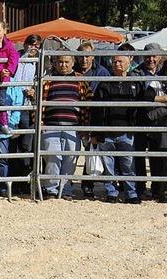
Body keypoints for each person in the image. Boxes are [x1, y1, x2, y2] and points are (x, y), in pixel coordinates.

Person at [91, 49, 142, 204]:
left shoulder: (135, 83)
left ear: (129, 62)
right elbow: (96, 109)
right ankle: (111, 192)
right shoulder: (105, 83)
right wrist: (95, 131)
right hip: (107, 131)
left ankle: (131, 193)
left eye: (120, 61)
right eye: (114, 61)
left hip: (127, 131)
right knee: (109, 165)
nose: (116, 64)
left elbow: (144, 100)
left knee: (129, 165)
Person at [40, 52, 92, 200]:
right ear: (56, 63)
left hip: (73, 126)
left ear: (73, 62)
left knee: (70, 159)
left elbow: (87, 105)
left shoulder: (81, 80)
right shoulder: (48, 80)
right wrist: (40, 123)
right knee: (52, 158)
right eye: (61, 62)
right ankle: (51, 190)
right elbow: (39, 103)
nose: (63, 65)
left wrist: (84, 127)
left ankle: (66, 189)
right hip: (51, 125)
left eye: (66, 62)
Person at [75, 40, 110, 198]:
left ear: (93, 56)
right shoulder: (72, 71)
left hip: (95, 114)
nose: (85, 59)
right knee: (73, 151)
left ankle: (87, 184)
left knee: (92, 149)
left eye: (88, 56)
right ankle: (66, 182)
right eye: (82, 56)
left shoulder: (102, 72)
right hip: (76, 114)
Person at [11, 34, 41, 195]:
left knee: (27, 146)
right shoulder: (17, 58)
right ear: (25, 44)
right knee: (13, 145)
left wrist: (35, 92)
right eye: (31, 44)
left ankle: (26, 181)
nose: (33, 47)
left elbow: (45, 85)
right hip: (16, 107)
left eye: (36, 44)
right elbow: (12, 78)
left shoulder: (42, 63)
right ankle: (15, 181)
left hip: (31, 109)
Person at [134, 42, 164, 198]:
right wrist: (162, 98)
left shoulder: (164, 71)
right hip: (141, 118)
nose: (150, 59)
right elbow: (142, 95)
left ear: (160, 57)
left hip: (162, 120)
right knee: (138, 154)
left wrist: (153, 99)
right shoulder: (137, 73)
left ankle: (157, 189)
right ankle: (140, 187)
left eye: (154, 56)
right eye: (147, 56)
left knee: (158, 154)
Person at [139, 57, 167, 202]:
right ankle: (159, 190)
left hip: (160, 121)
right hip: (160, 125)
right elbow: (147, 96)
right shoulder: (157, 80)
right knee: (159, 158)